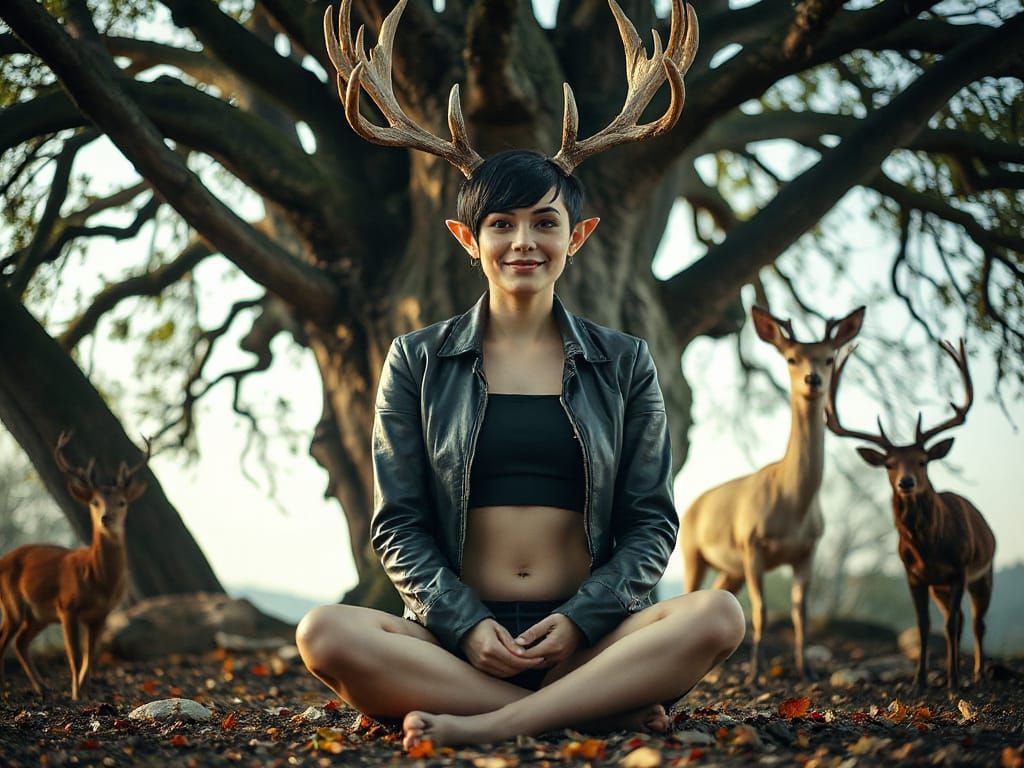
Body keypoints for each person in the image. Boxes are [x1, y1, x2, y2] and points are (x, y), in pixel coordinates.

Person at [299, 0, 744, 750]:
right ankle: (590, 709)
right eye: (501, 226)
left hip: (589, 632)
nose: (523, 242)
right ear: (465, 238)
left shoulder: (627, 362)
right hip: (453, 640)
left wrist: (581, 620)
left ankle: (498, 721)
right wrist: (465, 625)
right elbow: (399, 524)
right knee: (324, 633)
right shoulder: (415, 360)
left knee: (719, 613)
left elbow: (650, 525)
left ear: (581, 234)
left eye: (545, 222)